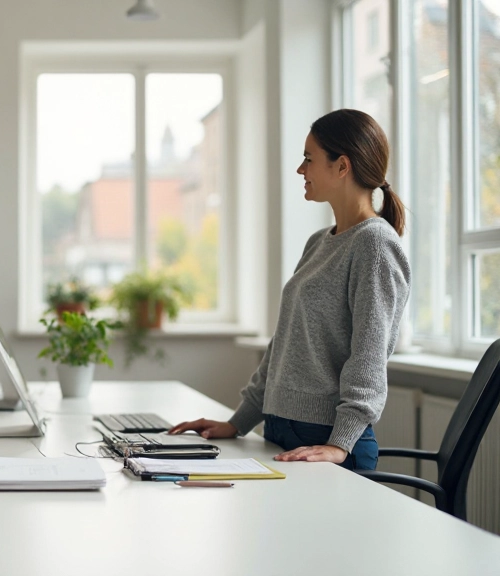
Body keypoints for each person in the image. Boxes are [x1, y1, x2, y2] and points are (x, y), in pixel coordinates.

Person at [169, 109, 411, 471]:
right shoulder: (319, 242)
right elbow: (284, 344)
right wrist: (239, 422)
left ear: (341, 166)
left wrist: (340, 444)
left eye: (309, 159)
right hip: (282, 429)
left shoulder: (375, 245)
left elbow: (369, 359)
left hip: (328, 441)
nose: (301, 170)